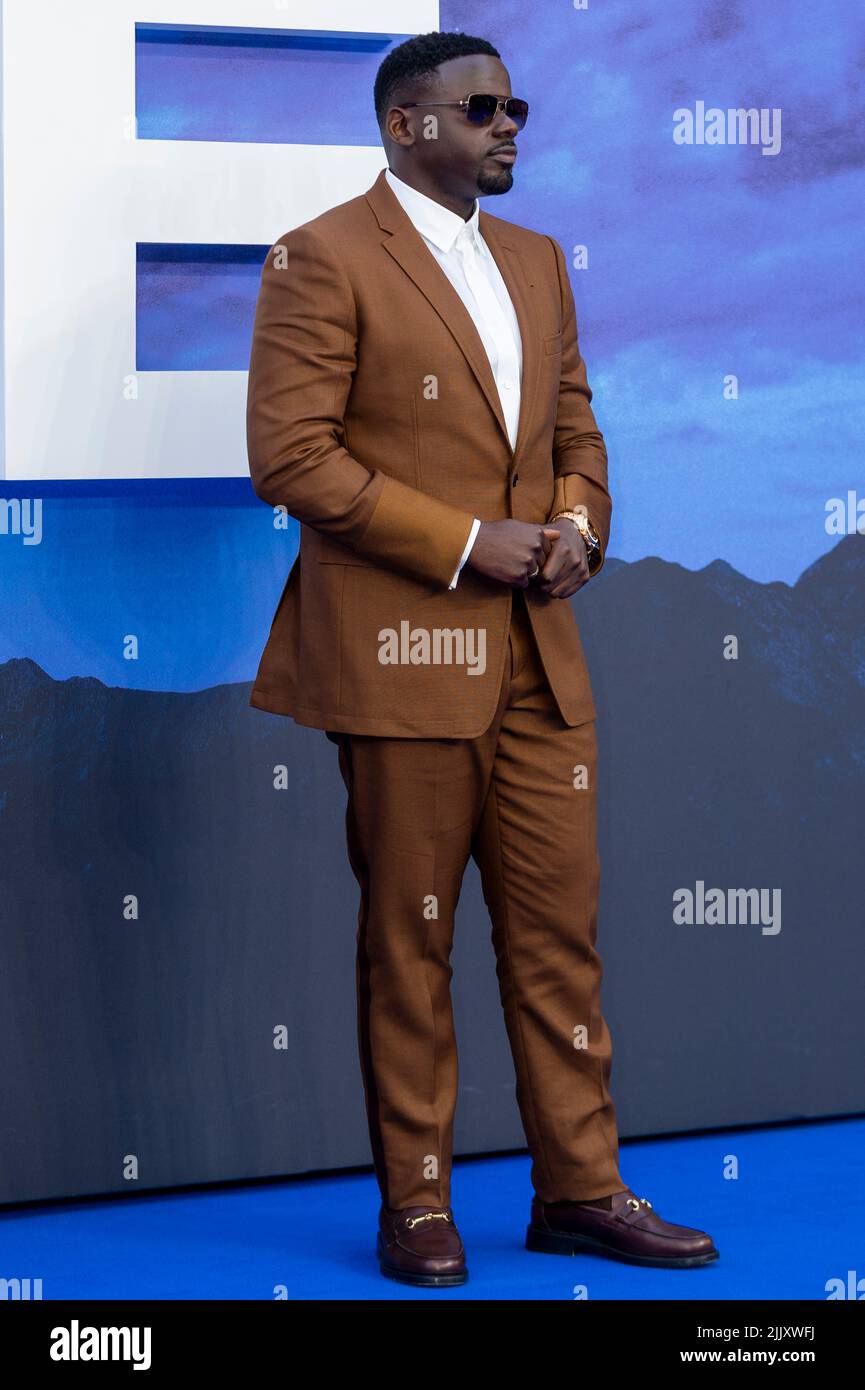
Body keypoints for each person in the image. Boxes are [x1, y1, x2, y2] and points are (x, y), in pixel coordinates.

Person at [246, 29, 718, 1287]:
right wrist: (467, 544)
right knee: (411, 941)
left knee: (560, 940)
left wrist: (573, 528)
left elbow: (576, 426)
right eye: (484, 107)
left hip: (539, 661)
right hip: (403, 657)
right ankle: (415, 1205)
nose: (511, 125)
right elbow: (290, 458)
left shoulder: (536, 260)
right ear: (407, 125)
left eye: (516, 106)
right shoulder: (323, 256)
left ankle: (579, 1188)